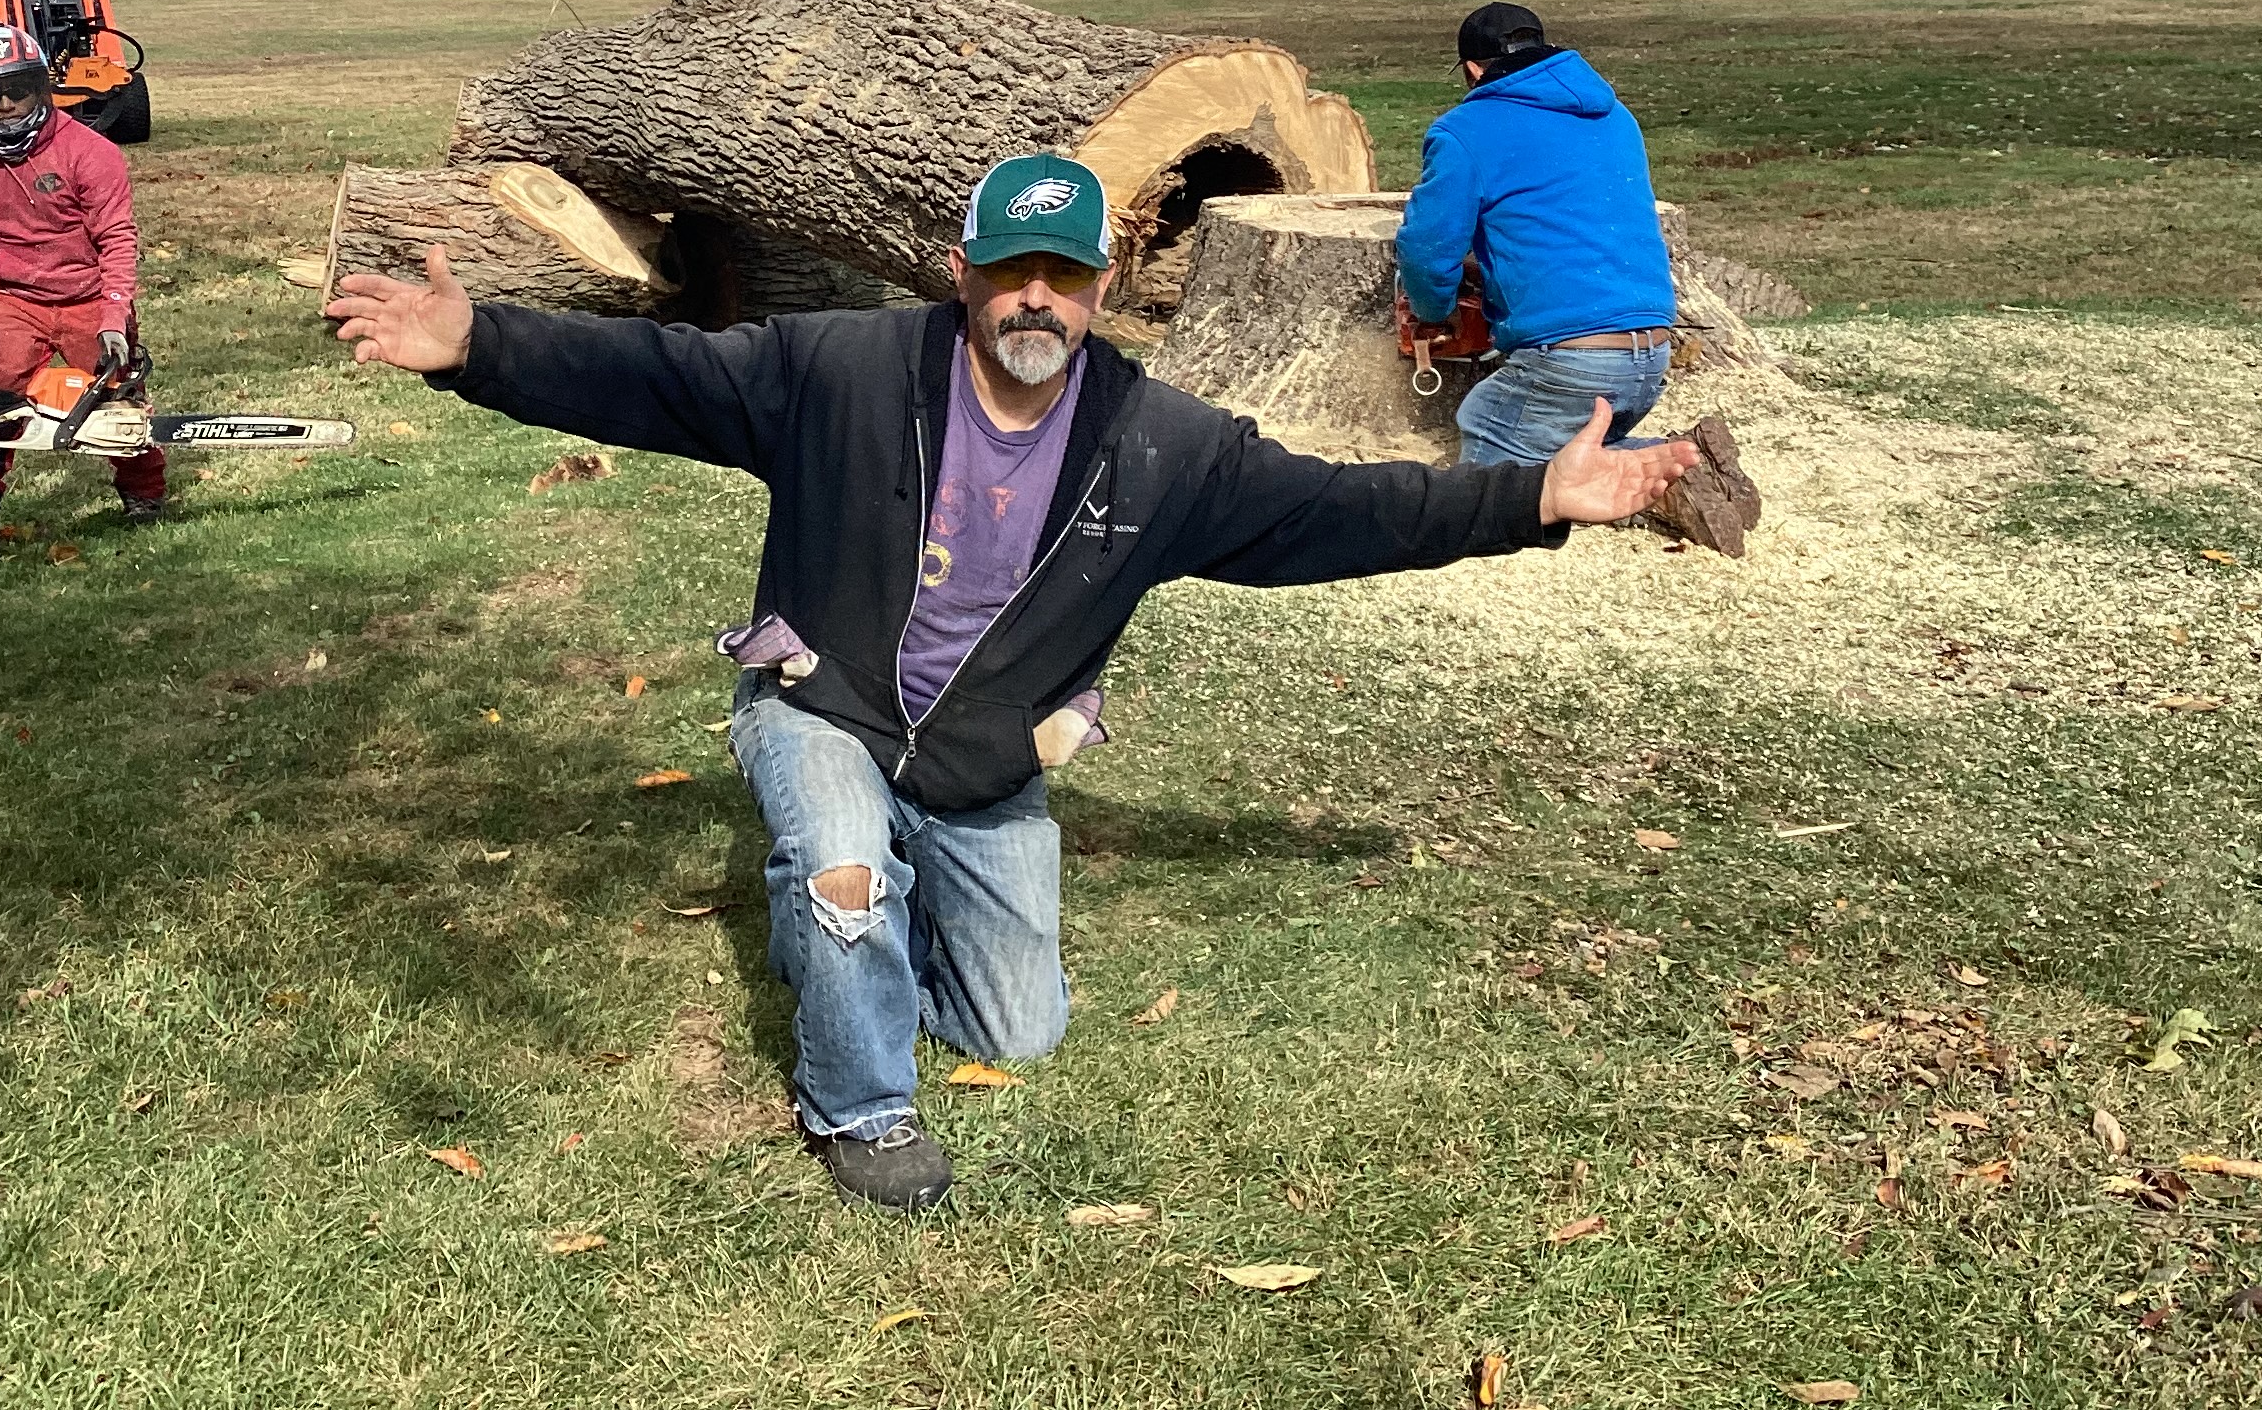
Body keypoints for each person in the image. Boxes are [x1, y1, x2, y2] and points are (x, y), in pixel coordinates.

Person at [324, 151, 1698, 1213]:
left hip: (985, 760)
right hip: (825, 702)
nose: (1036, 297)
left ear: (1105, 286)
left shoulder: (1164, 447)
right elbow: (659, 376)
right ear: (960, 272)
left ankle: (849, 903)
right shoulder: (837, 370)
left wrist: (1533, 498)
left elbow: (1347, 511)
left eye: (1066, 274)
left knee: (1016, 1024)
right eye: (1009, 270)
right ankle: (859, 1108)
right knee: (848, 877)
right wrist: (481, 348)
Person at [1395, 0, 1680, 469]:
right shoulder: (1615, 116)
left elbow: (1427, 247)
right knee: (1561, 455)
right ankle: (1650, 461)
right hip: (1650, 358)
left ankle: (1665, 469)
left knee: (1489, 469)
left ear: (1471, 69)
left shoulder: (1466, 130)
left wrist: (1433, 313)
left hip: (1570, 362)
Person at [0, 22, 160, 574]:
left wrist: (113, 314)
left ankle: (144, 493)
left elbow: (117, 238)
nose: (4, 105)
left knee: (121, 408)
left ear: (41, 88)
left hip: (91, 298)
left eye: (17, 90)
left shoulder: (91, 152)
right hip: (14, 301)